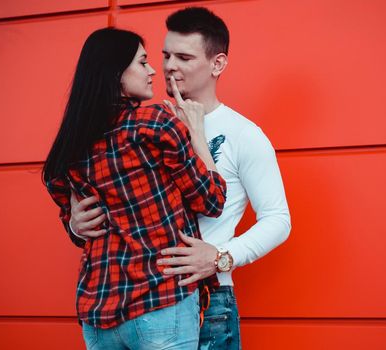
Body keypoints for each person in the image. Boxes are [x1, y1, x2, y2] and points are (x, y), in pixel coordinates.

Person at [69, 7, 291, 349]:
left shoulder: (243, 134)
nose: (170, 66)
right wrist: (76, 225)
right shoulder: (139, 125)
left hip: (208, 298)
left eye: (184, 57)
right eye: (166, 55)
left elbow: (278, 220)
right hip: (136, 301)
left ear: (217, 64)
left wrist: (220, 256)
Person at [43, 27, 226, 349]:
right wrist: (196, 133)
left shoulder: (71, 146)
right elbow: (212, 199)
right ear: (116, 73)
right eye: (143, 62)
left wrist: (73, 225)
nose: (154, 69)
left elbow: (77, 224)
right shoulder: (154, 123)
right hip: (160, 298)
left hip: (99, 310)